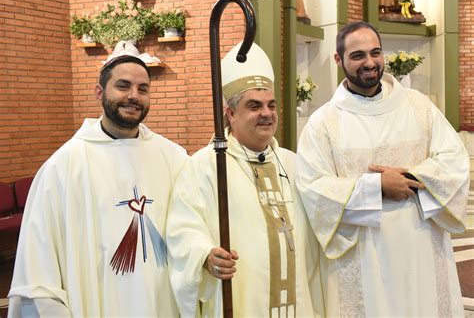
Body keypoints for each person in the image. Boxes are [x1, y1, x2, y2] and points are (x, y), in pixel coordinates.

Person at [296, 21, 469, 317]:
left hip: (421, 246)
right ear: (339, 60)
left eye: (375, 53)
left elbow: (454, 159)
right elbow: (313, 187)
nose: (370, 63)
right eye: (358, 55)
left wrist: (410, 179)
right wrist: (376, 187)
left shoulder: (419, 107)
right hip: (363, 253)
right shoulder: (323, 123)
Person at [8, 55, 188, 317]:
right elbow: (39, 259)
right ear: (99, 92)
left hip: (163, 302)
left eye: (143, 89)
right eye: (123, 86)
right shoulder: (64, 166)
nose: (133, 96)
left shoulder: (173, 158)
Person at [166, 42, 324, 317]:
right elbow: (182, 229)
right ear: (230, 113)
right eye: (254, 106)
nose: (266, 113)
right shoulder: (205, 166)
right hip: (242, 303)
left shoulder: (293, 164)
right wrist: (205, 256)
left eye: (271, 105)